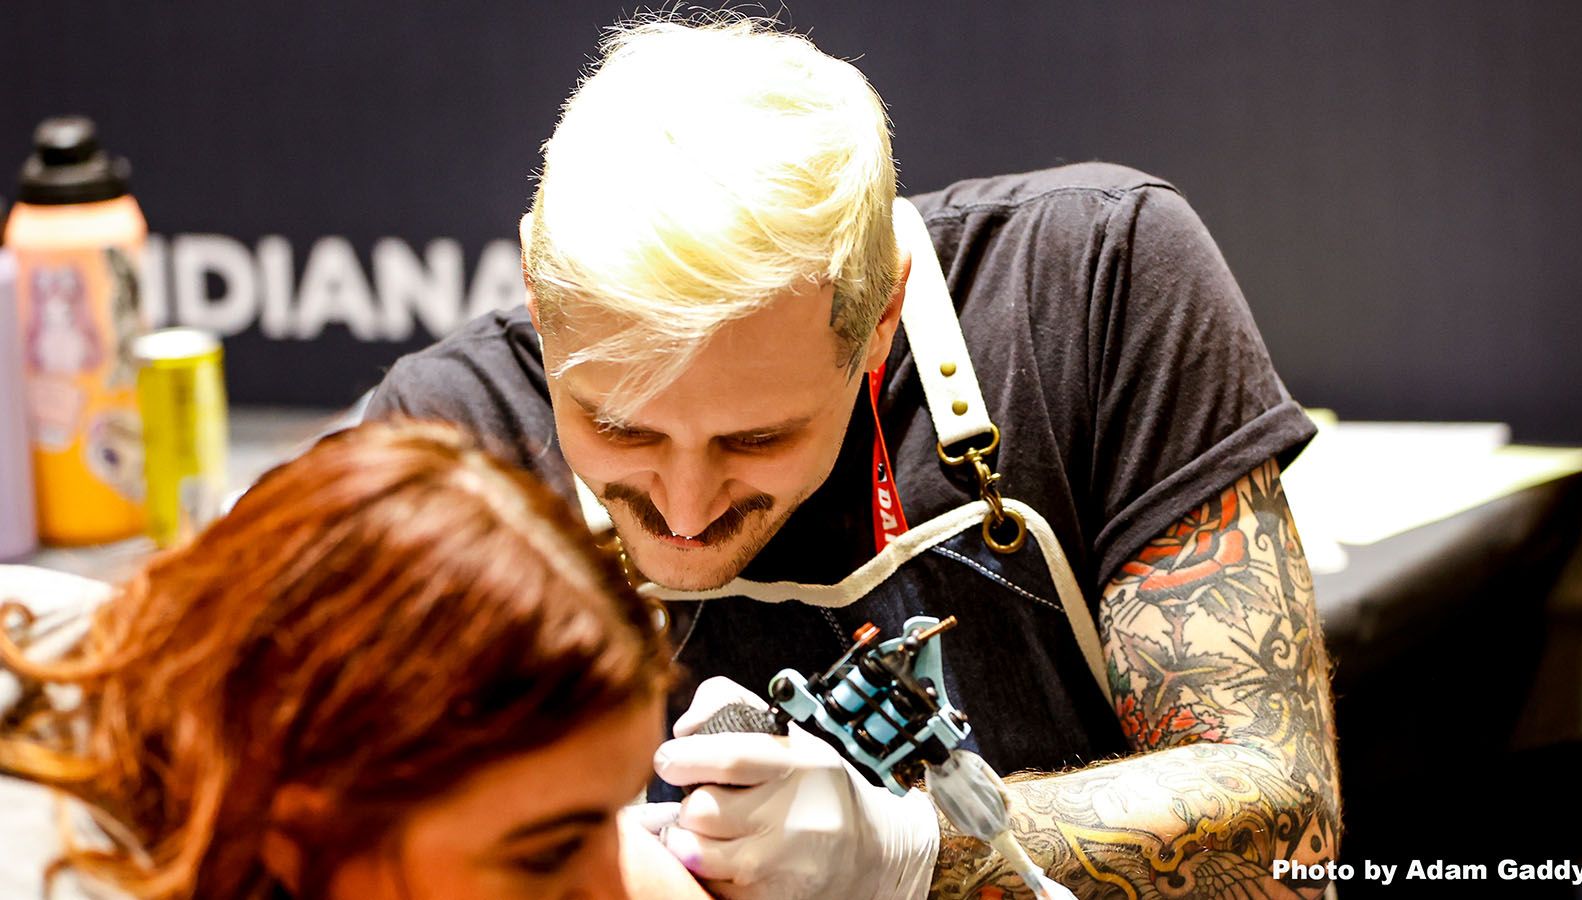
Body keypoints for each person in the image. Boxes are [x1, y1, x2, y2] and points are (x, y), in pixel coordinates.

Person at [367, 14, 1342, 900]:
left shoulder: (1091, 287)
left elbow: (1288, 832)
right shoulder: (441, 444)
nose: (685, 505)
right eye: (620, 430)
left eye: (757, 438)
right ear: (540, 304)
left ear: (880, 321)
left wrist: (913, 850)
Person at [0, 421, 710, 900]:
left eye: (611, 814)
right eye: (547, 855)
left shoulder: (221, 694)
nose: (612, 893)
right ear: (303, 824)